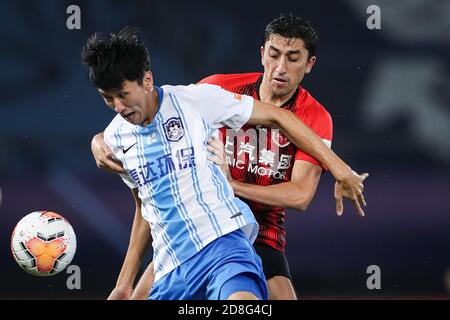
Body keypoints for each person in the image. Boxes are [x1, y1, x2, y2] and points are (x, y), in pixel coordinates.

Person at [86, 25, 367, 300]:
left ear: (309, 64)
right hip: (179, 242)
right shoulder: (215, 89)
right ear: (262, 53)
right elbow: (149, 200)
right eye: (274, 54)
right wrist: (99, 140)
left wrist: (339, 168)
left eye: (292, 58)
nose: (280, 67)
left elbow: (301, 195)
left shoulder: (311, 116)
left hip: (247, 231)